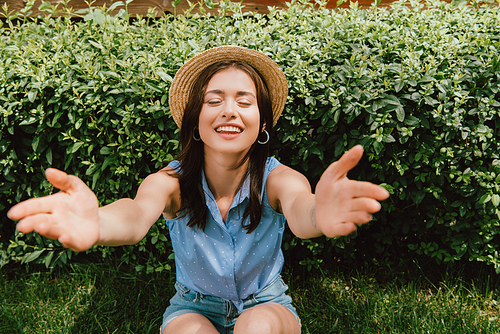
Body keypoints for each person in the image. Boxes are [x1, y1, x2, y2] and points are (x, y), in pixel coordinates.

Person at [7, 45, 389, 334]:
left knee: (255, 327)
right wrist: (98, 221)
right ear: (195, 121)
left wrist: (319, 214)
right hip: (193, 309)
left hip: (266, 305)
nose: (229, 110)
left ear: (262, 123)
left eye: (245, 100)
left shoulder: (278, 178)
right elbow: (137, 214)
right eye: (214, 100)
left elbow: (302, 210)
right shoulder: (170, 182)